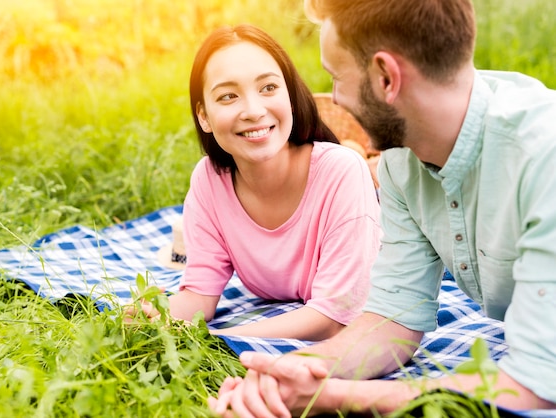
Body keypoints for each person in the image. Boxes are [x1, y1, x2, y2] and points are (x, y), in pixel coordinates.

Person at [208, 0, 556, 415]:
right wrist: (292, 373)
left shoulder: (542, 158)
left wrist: (332, 398)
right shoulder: (401, 160)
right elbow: (391, 321)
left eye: (336, 77)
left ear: (386, 76)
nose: (333, 98)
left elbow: (536, 387)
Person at [126, 24, 381, 341]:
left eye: (269, 88)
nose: (253, 110)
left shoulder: (342, 171)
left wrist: (216, 340)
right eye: (228, 96)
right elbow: (199, 296)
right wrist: (159, 315)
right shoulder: (209, 181)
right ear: (204, 116)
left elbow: (333, 318)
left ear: (289, 95)